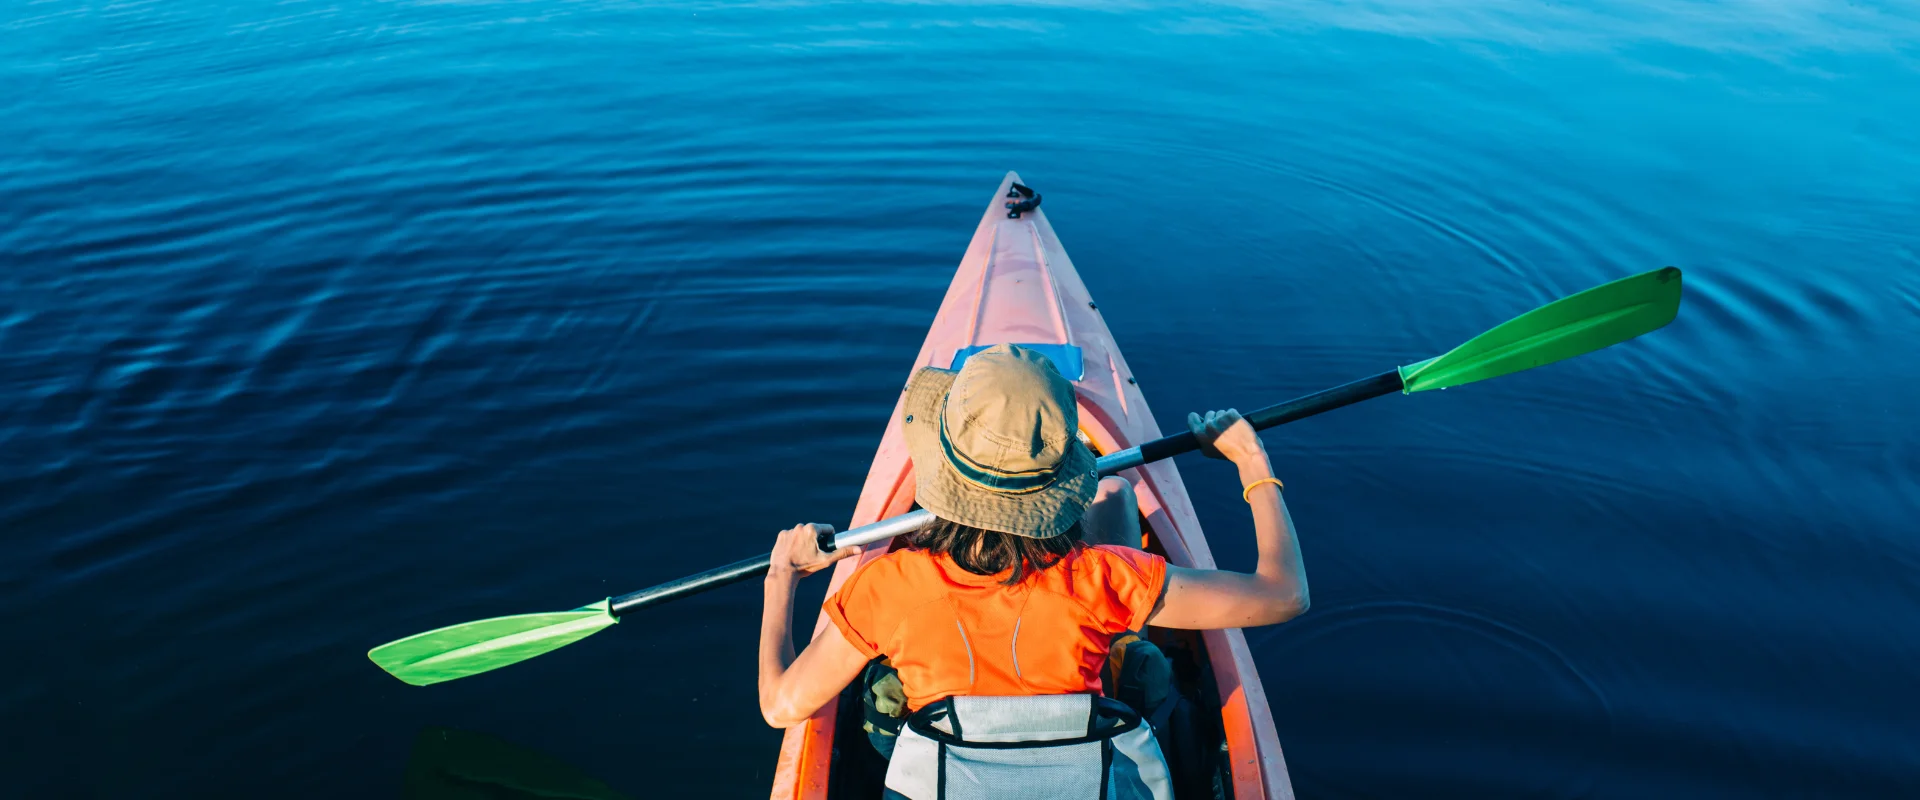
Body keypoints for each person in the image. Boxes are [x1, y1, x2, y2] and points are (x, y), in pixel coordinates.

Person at [756, 344, 1308, 796]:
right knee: (1116, 500)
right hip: (1082, 774)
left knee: (881, 686)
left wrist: (782, 578)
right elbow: (1283, 595)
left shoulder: (885, 588)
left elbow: (781, 705)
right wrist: (1251, 462)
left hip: (947, 773)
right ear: (1059, 479)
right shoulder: (1108, 578)